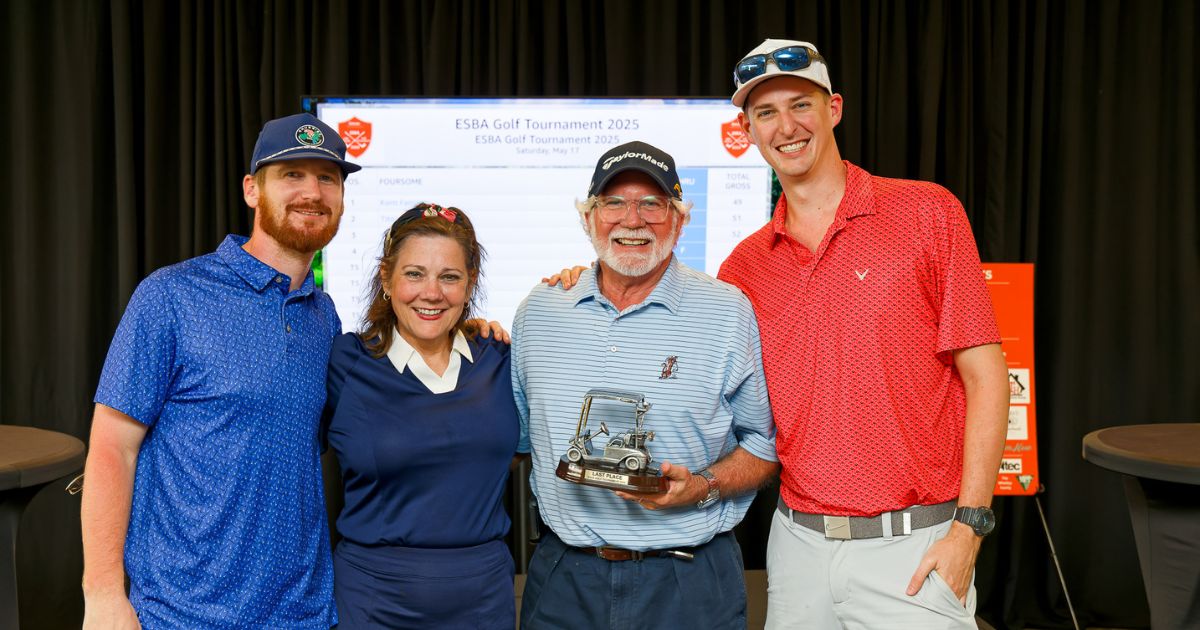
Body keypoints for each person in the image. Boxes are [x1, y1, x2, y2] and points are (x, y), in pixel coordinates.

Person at [718, 39, 1010, 628]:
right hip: (797, 549)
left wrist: (969, 532)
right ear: (746, 129)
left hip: (916, 550)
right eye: (766, 113)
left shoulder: (927, 212)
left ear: (835, 109)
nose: (787, 126)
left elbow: (986, 377)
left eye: (800, 104)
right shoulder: (745, 266)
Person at [80, 113, 359, 629]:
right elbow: (112, 446)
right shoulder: (170, 296)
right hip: (182, 612)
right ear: (252, 190)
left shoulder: (324, 318)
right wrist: (102, 595)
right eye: (291, 175)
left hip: (301, 614)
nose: (312, 192)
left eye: (327, 178)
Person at [513, 141, 779, 629]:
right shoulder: (541, 311)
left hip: (690, 579)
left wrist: (701, 487)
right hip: (565, 578)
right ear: (589, 218)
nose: (631, 219)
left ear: (679, 220)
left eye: (652, 204)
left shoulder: (727, 311)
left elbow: (764, 447)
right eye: (613, 202)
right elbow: (522, 437)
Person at [322, 203, 524, 628]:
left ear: (470, 285)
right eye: (414, 274)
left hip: (483, 600)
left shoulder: (500, 360)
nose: (431, 293)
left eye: (449, 277)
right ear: (386, 279)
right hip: (372, 601)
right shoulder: (345, 361)